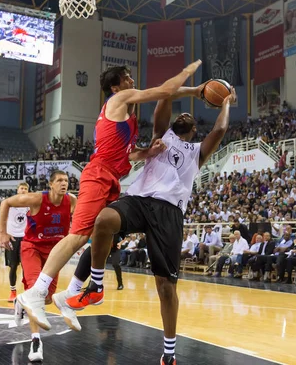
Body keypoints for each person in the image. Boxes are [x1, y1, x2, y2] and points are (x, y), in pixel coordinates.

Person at [14, 61, 205, 331]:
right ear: (115, 86)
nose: (131, 81)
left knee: (105, 239)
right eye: (126, 78)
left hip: (112, 178)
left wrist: (148, 153)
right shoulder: (120, 98)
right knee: (78, 235)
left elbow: (127, 154)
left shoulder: (125, 117)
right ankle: (37, 291)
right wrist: (192, 84)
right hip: (98, 174)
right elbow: (165, 91)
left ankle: (71, 293)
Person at [66, 86, 236, 365]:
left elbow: (219, 130)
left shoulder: (197, 152)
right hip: (140, 200)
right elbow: (164, 98)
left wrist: (226, 101)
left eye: (190, 117)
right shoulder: (162, 135)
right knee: (104, 219)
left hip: (169, 213)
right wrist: (185, 89)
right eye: (181, 114)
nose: (184, 115)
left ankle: (169, 353)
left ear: (193, 131)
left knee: (165, 287)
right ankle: (96, 285)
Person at [0, 171, 77, 362]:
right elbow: (6, 202)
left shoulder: (71, 200)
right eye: (59, 180)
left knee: (47, 299)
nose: (64, 183)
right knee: (36, 293)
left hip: (55, 251)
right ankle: (36, 340)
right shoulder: (36, 199)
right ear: (50, 184)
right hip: (32, 247)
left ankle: (20, 302)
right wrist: (2, 231)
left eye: (66, 180)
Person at [5, 182, 30, 302]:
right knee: (13, 266)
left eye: (26, 189)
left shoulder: (31, 205)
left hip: (26, 238)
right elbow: (3, 219)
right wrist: (5, 233)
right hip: (12, 238)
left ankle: (27, 292)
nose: (24, 190)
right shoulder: (9, 203)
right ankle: (13, 292)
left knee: (27, 267)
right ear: (17, 190)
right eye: (22, 188)